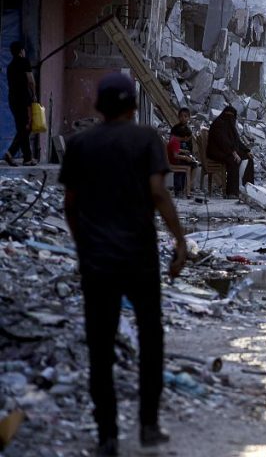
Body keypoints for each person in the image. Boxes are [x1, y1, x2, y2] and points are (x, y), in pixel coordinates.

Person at [60, 72, 188, 456]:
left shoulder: (80, 144)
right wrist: (180, 241)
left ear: (99, 106)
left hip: (97, 260)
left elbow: (70, 204)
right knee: (151, 337)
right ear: (133, 106)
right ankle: (148, 426)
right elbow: (158, 193)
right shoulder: (146, 138)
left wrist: (84, 244)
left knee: (100, 346)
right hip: (139, 258)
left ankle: (107, 436)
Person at [207, 106, 254, 199]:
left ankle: (249, 188)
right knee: (233, 161)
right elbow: (223, 142)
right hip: (217, 151)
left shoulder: (230, 126)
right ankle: (232, 192)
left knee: (249, 159)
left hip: (228, 150)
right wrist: (233, 152)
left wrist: (246, 151)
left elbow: (237, 141)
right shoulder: (218, 124)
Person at [4, 41, 37, 166]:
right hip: (23, 99)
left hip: (13, 99)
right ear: (21, 51)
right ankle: (11, 152)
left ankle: (27, 158)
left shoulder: (10, 66)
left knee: (22, 128)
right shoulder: (24, 62)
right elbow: (31, 80)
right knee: (26, 128)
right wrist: (34, 94)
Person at [166, 124, 201, 198]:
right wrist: (185, 157)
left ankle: (185, 188)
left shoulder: (174, 139)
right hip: (174, 162)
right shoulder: (176, 142)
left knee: (193, 164)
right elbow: (175, 155)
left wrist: (183, 151)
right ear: (185, 137)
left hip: (173, 160)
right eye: (188, 138)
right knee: (194, 165)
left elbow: (174, 149)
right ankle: (186, 189)